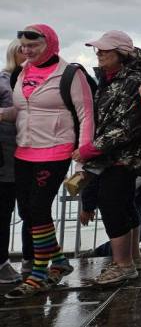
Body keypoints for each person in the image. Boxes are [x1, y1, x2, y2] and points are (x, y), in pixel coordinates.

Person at [2, 25, 92, 298]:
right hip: (24, 150)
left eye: (34, 46)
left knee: (39, 208)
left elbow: (86, 114)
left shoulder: (70, 74)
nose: (27, 51)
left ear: (50, 44)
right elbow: (23, 110)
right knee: (28, 212)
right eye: (24, 46)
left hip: (56, 150)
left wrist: (84, 152)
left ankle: (39, 273)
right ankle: (60, 261)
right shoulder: (22, 72)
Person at [73, 31, 141, 285]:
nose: (99, 54)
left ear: (121, 53)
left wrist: (91, 149)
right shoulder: (111, 79)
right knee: (125, 204)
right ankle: (134, 258)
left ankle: (123, 265)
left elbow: (126, 125)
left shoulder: (132, 81)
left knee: (112, 205)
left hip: (126, 156)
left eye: (105, 50)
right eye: (98, 50)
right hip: (113, 156)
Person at [0, 41, 24, 284]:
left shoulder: (36, 81)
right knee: (3, 212)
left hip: (27, 157)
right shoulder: (3, 81)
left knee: (29, 212)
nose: (27, 53)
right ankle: (2, 263)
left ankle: (32, 260)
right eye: (21, 49)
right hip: (5, 160)